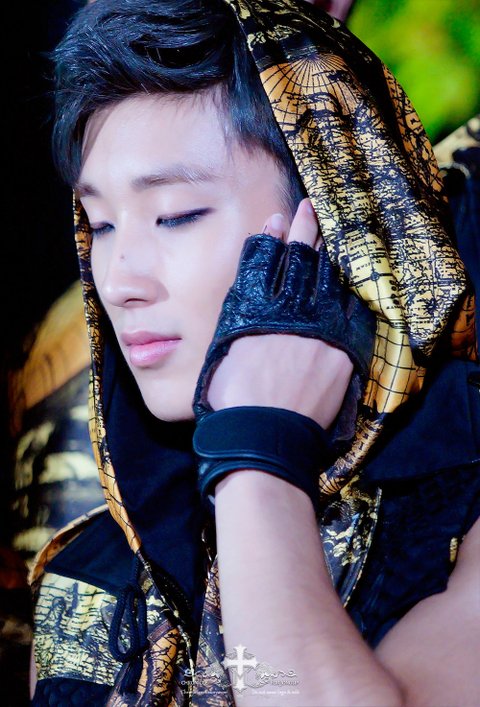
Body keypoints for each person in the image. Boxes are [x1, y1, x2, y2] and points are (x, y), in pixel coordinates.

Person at [29, 0, 480, 705]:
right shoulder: (91, 579)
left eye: (176, 215)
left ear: (340, 226)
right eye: (102, 225)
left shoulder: (460, 522)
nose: (117, 282)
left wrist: (257, 449)